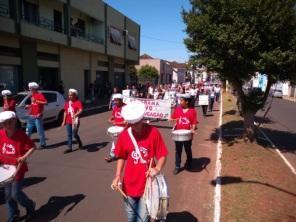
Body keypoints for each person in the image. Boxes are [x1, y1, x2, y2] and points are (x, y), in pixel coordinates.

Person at [111, 101, 168, 222]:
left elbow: (163, 154)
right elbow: (121, 156)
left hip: (147, 186)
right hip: (128, 185)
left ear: (142, 118)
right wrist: (117, 176)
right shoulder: (125, 135)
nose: (134, 126)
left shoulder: (153, 132)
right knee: (131, 216)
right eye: (131, 124)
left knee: (142, 219)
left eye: (137, 123)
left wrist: (157, 168)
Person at [0, 111, 36, 222]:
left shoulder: (21, 135)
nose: (8, 125)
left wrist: (24, 157)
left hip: (18, 169)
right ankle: (14, 215)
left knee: (15, 194)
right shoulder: (1, 134)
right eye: (4, 123)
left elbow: (32, 147)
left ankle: (30, 205)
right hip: (5, 168)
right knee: (7, 195)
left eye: (10, 122)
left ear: (15, 121)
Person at [170, 94, 197, 175]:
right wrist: (172, 120)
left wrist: (192, 129)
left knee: (188, 149)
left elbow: (193, 123)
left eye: (181, 100)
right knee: (178, 150)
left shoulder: (193, 111)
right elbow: (172, 119)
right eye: (180, 100)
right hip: (178, 134)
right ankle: (177, 166)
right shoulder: (177, 109)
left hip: (187, 134)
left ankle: (189, 163)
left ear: (187, 101)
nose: (180, 102)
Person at [25, 82, 47, 149]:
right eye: (29, 88)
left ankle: (43, 144)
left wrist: (37, 101)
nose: (29, 89)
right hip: (31, 116)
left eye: (30, 88)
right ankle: (26, 144)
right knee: (28, 131)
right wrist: (28, 106)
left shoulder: (39, 94)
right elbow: (34, 104)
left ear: (34, 88)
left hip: (37, 116)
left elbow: (46, 102)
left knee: (40, 131)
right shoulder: (32, 95)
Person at [61, 89, 83, 154]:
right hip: (68, 121)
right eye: (69, 95)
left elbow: (81, 110)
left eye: (71, 95)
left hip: (75, 121)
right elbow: (65, 112)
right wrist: (63, 121)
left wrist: (76, 114)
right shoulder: (67, 103)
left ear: (75, 96)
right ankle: (69, 148)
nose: (69, 96)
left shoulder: (78, 102)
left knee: (75, 134)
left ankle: (80, 143)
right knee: (69, 135)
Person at [105, 94, 126, 162]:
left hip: (125, 128)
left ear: (121, 100)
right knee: (114, 141)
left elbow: (127, 121)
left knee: (123, 142)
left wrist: (117, 123)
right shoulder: (115, 107)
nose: (115, 102)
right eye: (114, 101)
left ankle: (125, 154)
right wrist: (110, 119)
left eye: (117, 100)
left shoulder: (126, 108)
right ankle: (112, 155)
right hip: (117, 128)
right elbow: (113, 116)